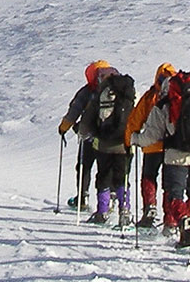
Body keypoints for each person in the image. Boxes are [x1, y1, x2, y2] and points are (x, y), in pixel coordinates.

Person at [130, 65, 190, 248]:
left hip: (175, 156)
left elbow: (151, 135)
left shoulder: (164, 104)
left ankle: (183, 221)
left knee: (175, 195)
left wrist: (135, 139)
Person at [65, 62, 136, 225]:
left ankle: (101, 211)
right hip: (125, 144)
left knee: (102, 176)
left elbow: (87, 117)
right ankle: (124, 211)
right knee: (122, 178)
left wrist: (81, 132)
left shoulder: (98, 92)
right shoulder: (129, 91)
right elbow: (138, 114)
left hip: (103, 143)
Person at [124, 63, 176, 229]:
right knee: (170, 184)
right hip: (173, 147)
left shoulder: (150, 96)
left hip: (151, 145)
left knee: (149, 178)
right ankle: (171, 219)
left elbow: (135, 120)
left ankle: (149, 210)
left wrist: (130, 140)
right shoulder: (178, 95)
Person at [56, 61, 110, 210]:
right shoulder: (115, 90)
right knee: (105, 169)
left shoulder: (87, 91)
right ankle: (107, 201)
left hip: (89, 136)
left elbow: (74, 111)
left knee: (84, 166)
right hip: (109, 138)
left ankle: (82, 197)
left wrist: (63, 128)